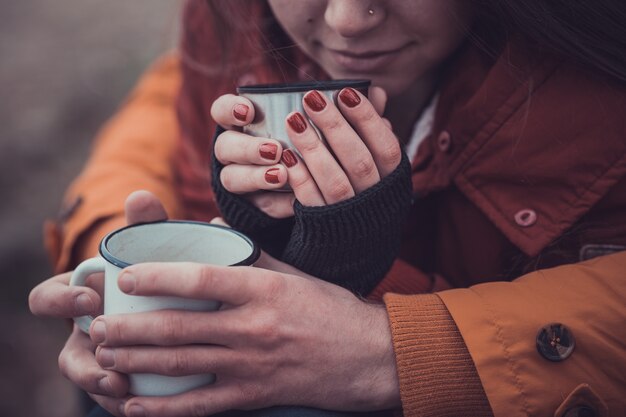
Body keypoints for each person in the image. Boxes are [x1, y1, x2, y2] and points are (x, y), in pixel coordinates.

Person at [28, 0, 626, 416]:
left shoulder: (597, 92)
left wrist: (391, 340)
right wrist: (107, 254)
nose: (345, 22)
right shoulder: (237, 21)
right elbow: (170, 92)